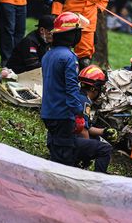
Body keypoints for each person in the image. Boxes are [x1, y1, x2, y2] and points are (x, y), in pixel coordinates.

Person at [41, 12, 112, 173]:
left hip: (48, 114)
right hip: (63, 116)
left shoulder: (48, 55)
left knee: (59, 150)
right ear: (72, 34)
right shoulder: (69, 57)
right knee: (65, 161)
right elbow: (71, 90)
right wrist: (79, 114)